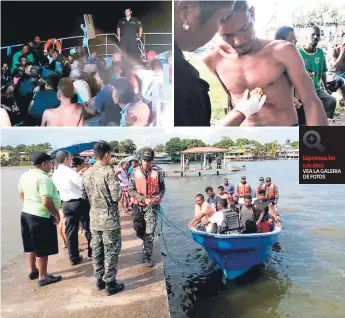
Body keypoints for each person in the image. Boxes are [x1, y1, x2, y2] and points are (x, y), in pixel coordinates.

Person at [203, 1, 328, 126]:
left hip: (285, 134)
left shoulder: (283, 51)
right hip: (246, 138)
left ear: (252, 13)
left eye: (244, 28)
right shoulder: (213, 58)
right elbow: (232, 99)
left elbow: (311, 101)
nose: (239, 41)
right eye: (227, 35)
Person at [81, 142, 124, 296]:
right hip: (109, 220)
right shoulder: (109, 172)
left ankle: (99, 279)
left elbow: (84, 196)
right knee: (111, 251)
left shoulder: (86, 173)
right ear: (106, 154)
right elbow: (116, 197)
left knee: (97, 250)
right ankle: (110, 283)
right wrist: (118, 184)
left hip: (94, 220)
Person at [18, 152, 62, 287]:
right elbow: (46, 201)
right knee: (42, 247)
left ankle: (32, 270)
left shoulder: (25, 175)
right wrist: (55, 213)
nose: (51, 165)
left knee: (31, 244)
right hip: (41, 216)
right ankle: (43, 277)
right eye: (50, 163)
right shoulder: (44, 179)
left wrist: (29, 205)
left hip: (26, 213)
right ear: (44, 164)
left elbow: (21, 194)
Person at [128, 148, 166, 267]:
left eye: (149, 161)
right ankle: (145, 242)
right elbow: (130, 190)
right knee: (138, 229)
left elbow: (163, 188)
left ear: (152, 161)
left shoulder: (157, 173)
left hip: (152, 208)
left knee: (150, 232)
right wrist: (144, 199)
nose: (146, 163)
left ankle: (147, 256)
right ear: (140, 160)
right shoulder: (134, 173)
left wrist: (159, 196)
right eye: (144, 160)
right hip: (138, 207)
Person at [52, 151, 86, 265]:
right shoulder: (70, 172)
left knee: (71, 231)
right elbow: (82, 185)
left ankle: (73, 257)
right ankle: (92, 251)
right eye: (70, 159)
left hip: (65, 203)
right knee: (86, 227)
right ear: (66, 159)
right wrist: (81, 175)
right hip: (77, 202)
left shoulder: (55, 173)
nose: (71, 160)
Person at [299, 26, 336, 120]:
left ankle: (326, 124)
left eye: (318, 35)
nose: (315, 37)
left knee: (331, 101)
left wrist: (326, 88)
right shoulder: (299, 53)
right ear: (307, 37)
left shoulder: (320, 52)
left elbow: (323, 72)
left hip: (316, 89)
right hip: (301, 91)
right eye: (313, 34)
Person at [275, 26, 306, 125]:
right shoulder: (272, 60)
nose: (295, 40)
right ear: (282, 41)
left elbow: (298, 83)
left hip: (294, 99)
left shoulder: (295, 57)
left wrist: (296, 99)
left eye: (295, 37)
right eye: (292, 38)